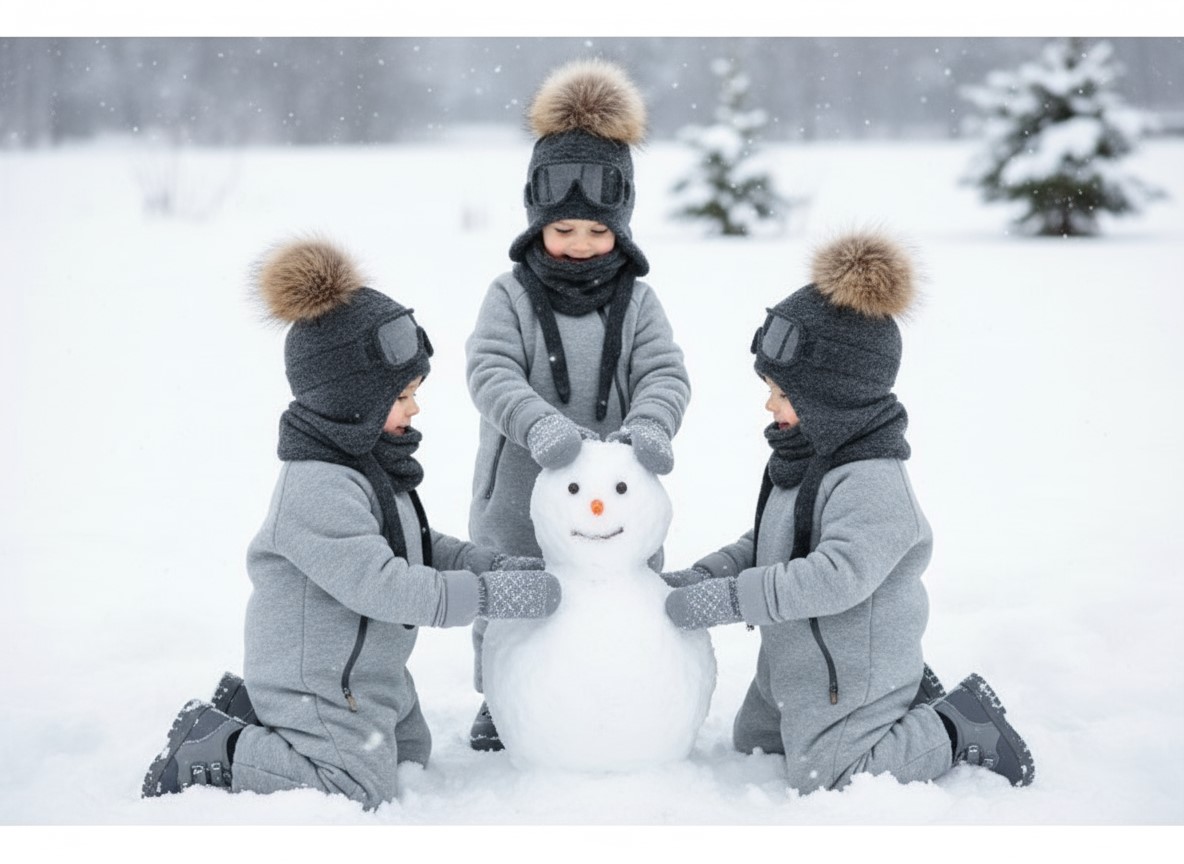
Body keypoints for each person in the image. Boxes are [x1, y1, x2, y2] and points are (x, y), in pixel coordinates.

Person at [141, 239, 562, 809]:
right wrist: (490, 595)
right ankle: (220, 745)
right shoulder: (317, 486)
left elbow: (417, 547)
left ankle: (252, 710)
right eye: (402, 396)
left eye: (415, 393)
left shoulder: (369, 464)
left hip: (369, 673)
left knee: (412, 756)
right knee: (358, 788)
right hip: (319, 678)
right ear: (351, 401)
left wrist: (492, 565)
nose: (415, 409)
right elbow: (383, 584)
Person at [662, 231, 1035, 792]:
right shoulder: (803, 456)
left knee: (831, 777)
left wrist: (736, 599)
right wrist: (705, 577)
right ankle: (904, 698)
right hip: (794, 660)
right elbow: (768, 541)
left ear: (832, 399)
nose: (768, 404)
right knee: (753, 748)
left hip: (847, 668)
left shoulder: (874, 480)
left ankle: (957, 724)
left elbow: (838, 578)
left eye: (781, 393)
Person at [464, 59, 692, 750]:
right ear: (537, 224)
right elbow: (489, 368)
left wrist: (651, 424)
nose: (579, 245)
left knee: (625, 588)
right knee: (512, 587)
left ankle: (627, 688)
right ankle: (499, 698)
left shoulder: (639, 301)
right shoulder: (508, 296)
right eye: (564, 231)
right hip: (518, 484)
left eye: (597, 233)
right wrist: (538, 426)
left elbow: (665, 371)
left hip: (619, 489)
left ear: (620, 230)